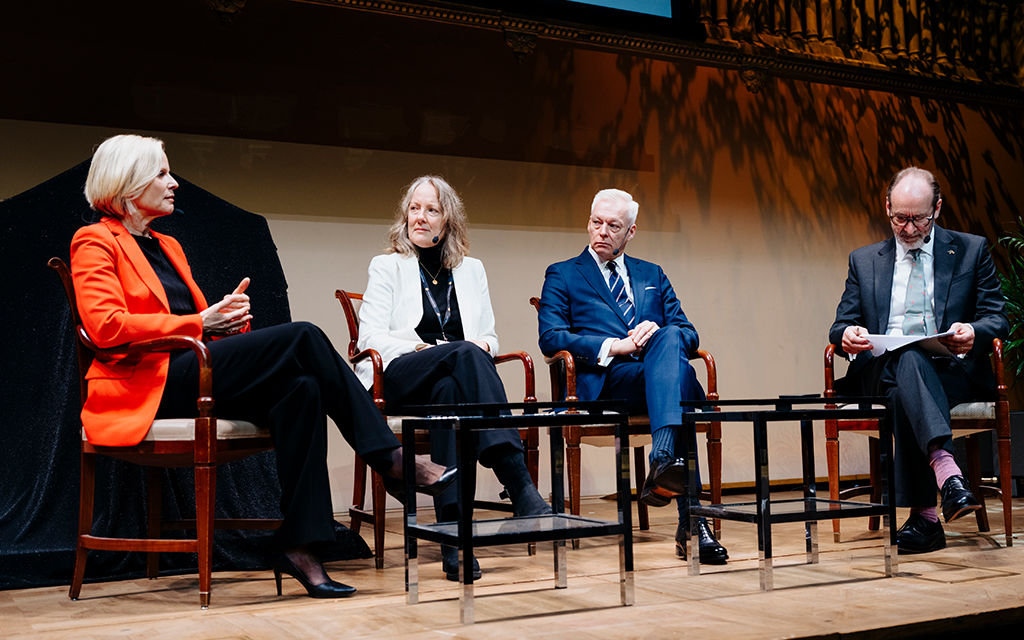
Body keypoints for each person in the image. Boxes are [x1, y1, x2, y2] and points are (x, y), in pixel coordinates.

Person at [70, 134, 455, 599]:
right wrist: (200, 320)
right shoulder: (93, 241)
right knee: (305, 334)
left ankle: (300, 547)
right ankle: (390, 459)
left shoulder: (166, 245)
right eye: (162, 174)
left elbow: (183, 326)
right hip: (144, 384)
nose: (173, 183)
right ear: (129, 184)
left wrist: (223, 326)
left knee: (302, 390)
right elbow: (106, 328)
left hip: (192, 370)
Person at [357, 175, 551, 581]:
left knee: (451, 389)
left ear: (448, 220)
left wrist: (470, 349)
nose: (421, 218)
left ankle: (453, 536)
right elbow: (370, 338)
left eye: (432, 210)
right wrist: (421, 349)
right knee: (463, 352)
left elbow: (490, 338)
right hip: (398, 377)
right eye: (415, 208)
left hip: (445, 384)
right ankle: (519, 486)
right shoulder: (388, 265)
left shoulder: (471, 270)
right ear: (405, 216)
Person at [537, 188, 728, 564]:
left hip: (656, 379)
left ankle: (663, 463)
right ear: (588, 223)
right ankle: (691, 518)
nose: (602, 232)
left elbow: (688, 332)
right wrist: (616, 345)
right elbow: (551, 337)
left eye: (613, 226)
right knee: (684, 382)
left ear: (631, 232)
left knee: (671, 340)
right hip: (606, 383)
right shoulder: (563, 273)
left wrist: (655, 334)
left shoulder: (651, 273)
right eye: (596, 223)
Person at [829, 166, 1008, 554]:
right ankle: (947, 474)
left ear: (938, 209)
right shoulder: (864, 260)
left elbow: (998, 318)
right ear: (887, 207)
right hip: (878, 367)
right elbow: (841, 323)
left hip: (950, 369)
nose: (908, 228)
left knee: (903, 386)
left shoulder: (970, 250)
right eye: (899, 218)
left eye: (918, 219)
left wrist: (975, 332)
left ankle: (925, 519)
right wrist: (847, 335)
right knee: (905, 355)